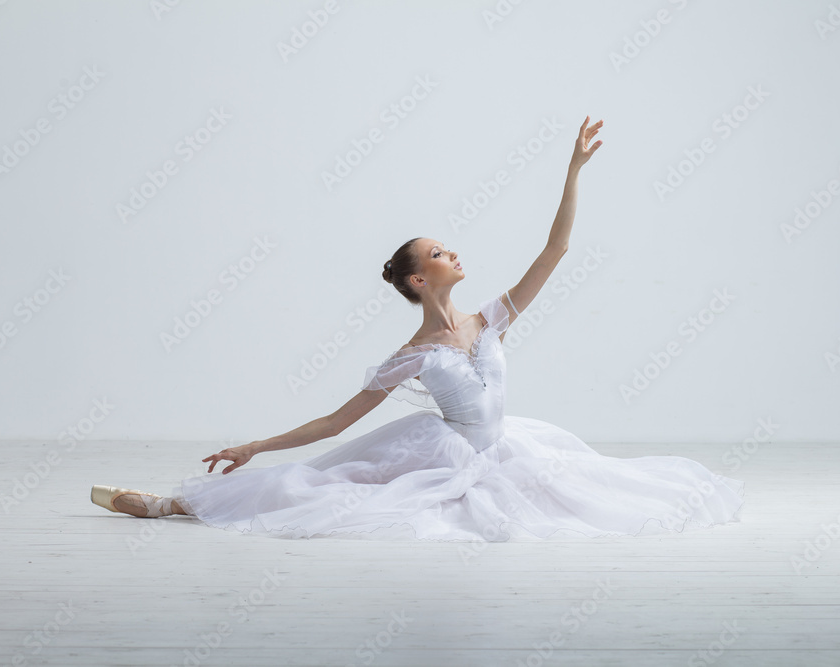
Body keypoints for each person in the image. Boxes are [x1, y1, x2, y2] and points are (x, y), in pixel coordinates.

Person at [90, 116, 745, 540]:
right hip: (440, 452)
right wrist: (255, 444)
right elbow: (334, 424)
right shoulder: (414, 355)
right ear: (416, 281)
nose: (452, 254)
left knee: (596, 496)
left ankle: (174, 507)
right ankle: (171, 506)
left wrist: (571, 171)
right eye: (438, 253)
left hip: (505, 447)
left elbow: (556, 252)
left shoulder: (490, 320)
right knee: (320, 487)